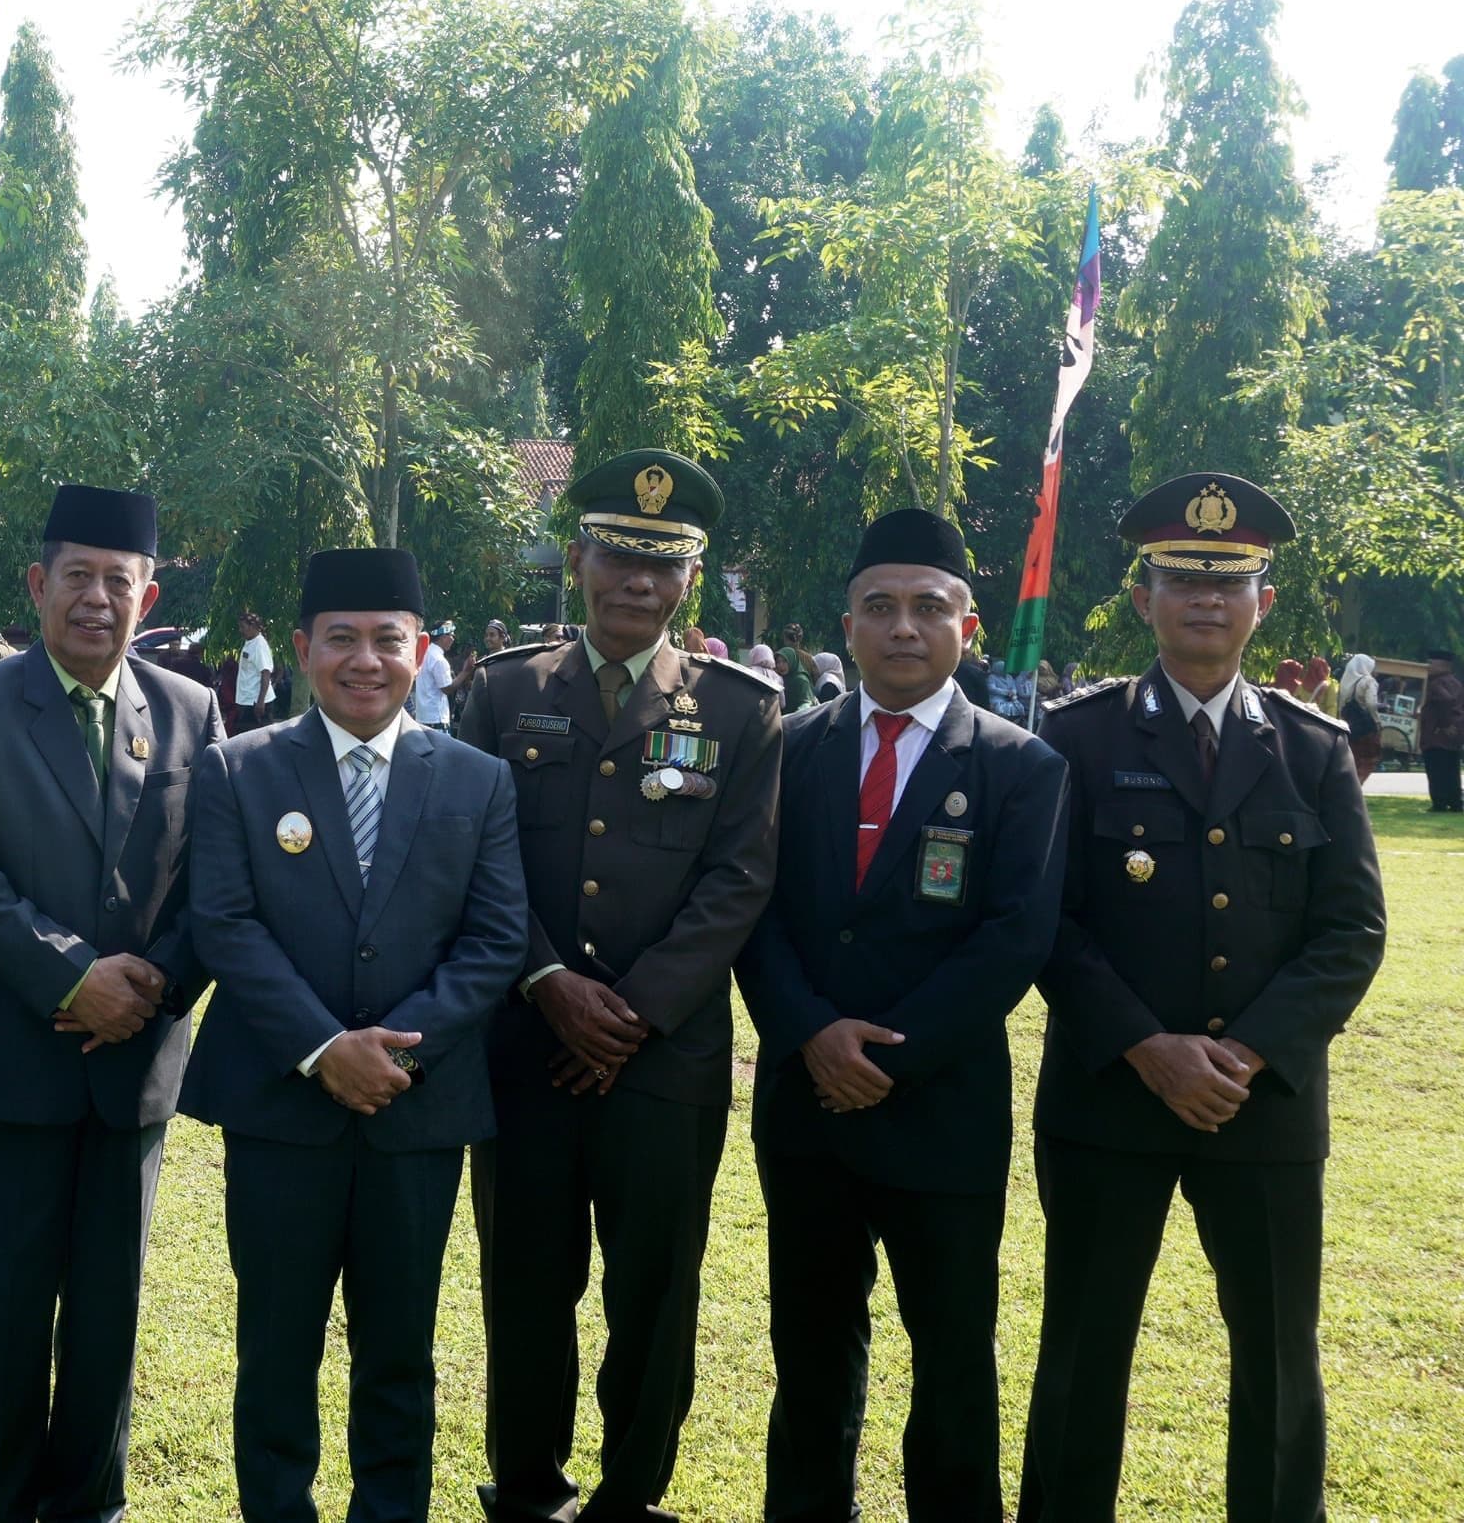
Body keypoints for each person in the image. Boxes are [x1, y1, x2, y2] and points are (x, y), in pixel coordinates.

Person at [1018, 472, 1386, 1523]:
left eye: (1230, 583)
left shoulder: (1312, 750)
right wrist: (1147, 1049)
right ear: (1144, 596)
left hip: (1261, 1110)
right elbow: (1046, 919)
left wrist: (1248, 1055)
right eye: (1182, 579)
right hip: (1107, 1104)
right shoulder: (1075, 737)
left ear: (1262, 603)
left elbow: (1349, 929)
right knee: (1082, 1352)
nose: (1205, 601)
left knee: (1276, 1360)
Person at [456, 449, 784, 1523]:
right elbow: (474, 857)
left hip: (663, 1060)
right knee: (525, 1284)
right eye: (617, 557)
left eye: (662, 564)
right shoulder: (503, 690)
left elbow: (740, 876)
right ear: (577, 556)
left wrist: (633, 1011)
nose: (636, 583)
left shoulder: (741, 710)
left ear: (690, 577)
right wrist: (547, 980)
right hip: (525, 1049)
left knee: (655, 1289)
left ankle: (630, 1494)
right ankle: (525, 1484)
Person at [735, 509, 1069, 1523]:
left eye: (929, 608)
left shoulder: (1020, 767)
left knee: (954, 1358)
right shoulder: (786, 750)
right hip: (807, 1115)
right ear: (846, 627)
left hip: (940, 1114)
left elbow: (1014, 939)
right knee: (809, 1355)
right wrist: (809, 1034)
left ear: (967, 629)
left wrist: (885, 1055)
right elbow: (750, 911)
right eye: (879, 608)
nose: (903, 629)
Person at [182, 548, 526, 1522]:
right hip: (281, 1113)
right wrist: (324, 1049)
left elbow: (495, 938)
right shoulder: (239, 770)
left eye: (388, 639)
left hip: (414, 1117)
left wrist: (391, 1050)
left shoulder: (477, 780)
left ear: (422, 649)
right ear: (301, 649)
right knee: (276, 1349)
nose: (365, 660)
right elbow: (226, 923)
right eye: (341, 638)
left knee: (399, 1355)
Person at [0, 484, 227, 1523]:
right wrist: (72, 976)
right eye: (78, 578)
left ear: (148, 594)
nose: (98, 599)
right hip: (4, 1076)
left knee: (107, 1322)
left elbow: (210, 887)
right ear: (37, 585)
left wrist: (152, 988)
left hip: (128, 1078)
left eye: (120, 581)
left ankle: (89, 1507)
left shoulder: (190, 711)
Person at [1423, 648, 1463, 813]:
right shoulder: (1456, 682)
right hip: (1454, 734)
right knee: (1452, 770)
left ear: (1442, 665)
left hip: (1437, 734)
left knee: (1436, 769)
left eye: (1431, 663)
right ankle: (1455, 802)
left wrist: (1445, 724)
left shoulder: (1436, 683)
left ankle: (1439, 802)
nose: (1428, 666)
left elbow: (1445, 701)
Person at [1339, 652, 1383, 782]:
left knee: (1351, 757)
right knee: (1368, 758)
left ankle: (1349, 784)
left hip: (1349, 724)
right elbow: (1371, 703)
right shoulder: (1369, 681)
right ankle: (1357, 784)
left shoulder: (1345, 682)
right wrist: (1377, 721)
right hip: (1365, 727)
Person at [234, 609, 276, 735]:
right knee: (245, 738)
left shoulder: (259, 645)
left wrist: (260, 702)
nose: (240, 630)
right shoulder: (250, 642)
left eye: (243, 627)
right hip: (246, 699)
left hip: (256, 702)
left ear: (252, 626)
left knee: (260, 739)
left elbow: (265, 673)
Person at [409, 619, 457, 730]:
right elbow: (447, 689)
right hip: (436, 720)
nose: (453, 639)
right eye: (451, 635)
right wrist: (466, 672)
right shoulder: (439, 659)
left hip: (422, 719)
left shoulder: (425, 654)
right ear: (442, 637)